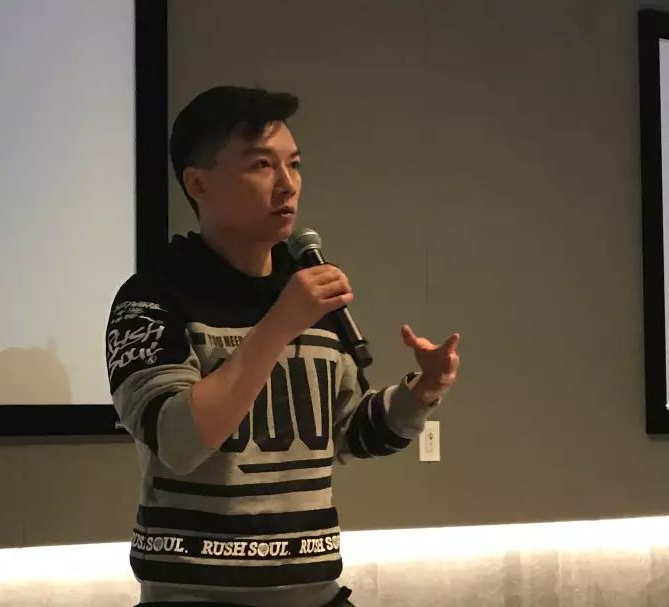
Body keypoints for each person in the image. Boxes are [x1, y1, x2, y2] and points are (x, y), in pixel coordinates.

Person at [105, 86, 461, 607]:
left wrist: (421, 392)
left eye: (293, 164)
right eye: (261, 165)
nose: (287, 184)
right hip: (195, 595)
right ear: (198, 183)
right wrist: (277, 326)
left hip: (316, 592)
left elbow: (346, 434)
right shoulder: (152, 298)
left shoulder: (306, 290)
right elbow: (179, 441)